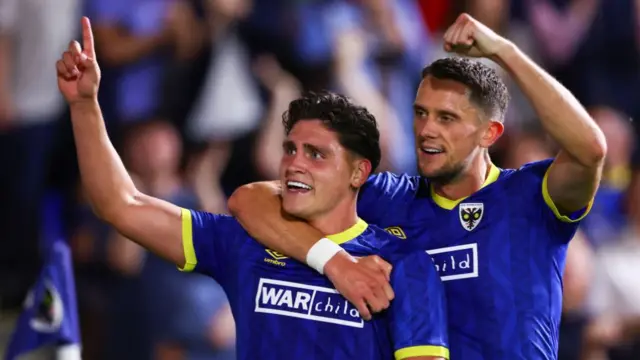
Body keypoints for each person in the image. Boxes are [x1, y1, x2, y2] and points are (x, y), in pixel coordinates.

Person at [55, 17, 449, 360]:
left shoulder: (403, 264)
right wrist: (85, 105)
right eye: (290, 149)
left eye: (316, 154)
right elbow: (120, 204)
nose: (295, 162)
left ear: (357, 173)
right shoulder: (244, 243)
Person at [228, 13, 607, 359]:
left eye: (447, 118)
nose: (427, 129)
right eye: (421, 113)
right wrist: (335, 262)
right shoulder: (385, 197)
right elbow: (250, 199)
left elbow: (589, 149)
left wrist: (504, 52)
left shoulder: (530, 197)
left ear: (489, 133)